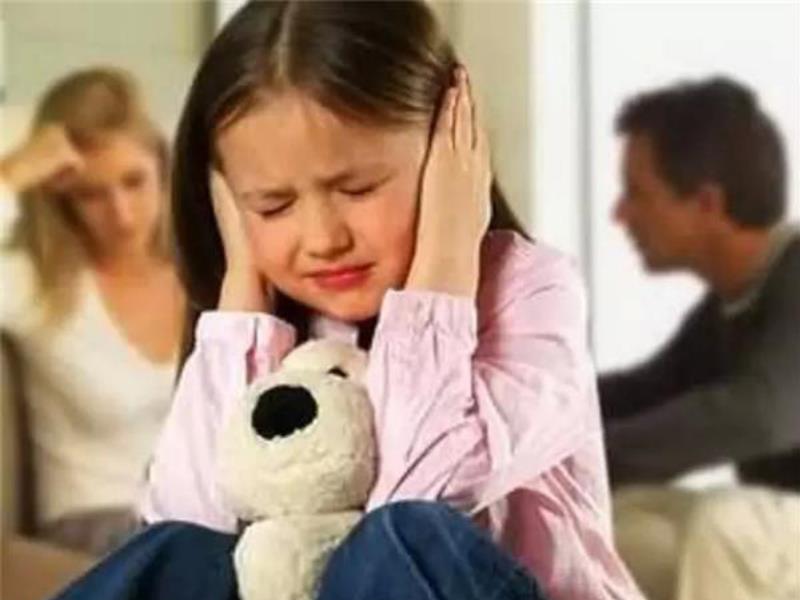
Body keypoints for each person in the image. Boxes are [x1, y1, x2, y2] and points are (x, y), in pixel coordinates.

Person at [52, 3, 642, 599]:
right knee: (178, 548)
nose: (323, 239)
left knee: (403, 535)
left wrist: (442, 264)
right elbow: (192, 517)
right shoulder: (277, 321)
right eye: (273, 205)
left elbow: (424, 499)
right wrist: (241, 308)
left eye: (358, 189)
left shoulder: (532, 291)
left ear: (452, 154)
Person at [599, 76, 800, 600]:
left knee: (725, 524)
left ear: (707, 203)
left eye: (638, 193)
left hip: (762, 529)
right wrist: (532, 421)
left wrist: (590, 454)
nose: (620, 214)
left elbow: (760, 414)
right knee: (624, 528)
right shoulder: (730, 307)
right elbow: (646, 393)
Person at [0, 67, 185, 556]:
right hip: (95, 525)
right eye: (91, 194)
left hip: (196, 515)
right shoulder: (33, 285)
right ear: (58, 197)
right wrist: (12, 175)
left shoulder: (201, 275)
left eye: (134, 182)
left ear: (163, 170)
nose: (121, 214)